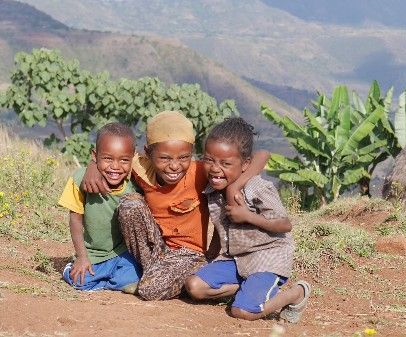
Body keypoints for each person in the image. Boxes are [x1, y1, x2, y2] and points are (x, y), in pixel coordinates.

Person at [80, 111, 269, 301]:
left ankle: (230, 286)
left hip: (190, 255)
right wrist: (93, 165)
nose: (174, 166)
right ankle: (155, 273)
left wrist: (235, 186)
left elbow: (262, 154)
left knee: (149, 291)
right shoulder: (141, 169)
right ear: (148, 153)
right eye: (164, 158)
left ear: (192, 152)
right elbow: (115, 157)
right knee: (130, 204)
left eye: (183, 157)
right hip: (155, 250)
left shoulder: (201, 172)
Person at [184, 117, 310, 323]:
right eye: (209, 160)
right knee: (194, 286)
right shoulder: (213, 191)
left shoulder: (256, 188)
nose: (215, 169)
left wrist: (248, 216)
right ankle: (248, 289)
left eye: (225, 163)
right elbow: (220, 227)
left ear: (246, 165)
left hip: (266, 259)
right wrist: (210, 256)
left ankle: (295, 294)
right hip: (236, 260)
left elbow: (284, 224)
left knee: (242, 312)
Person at [60, 122, 141, 292]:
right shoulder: (80, 179)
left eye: (124, 160)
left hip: (122, 252)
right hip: (93, 253)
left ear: (133, 158)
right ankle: (72, 268)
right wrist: (82, 257)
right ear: (95, 156)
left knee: (131, 280)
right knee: (80, 281)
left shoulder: (135, 183)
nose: (115, 166)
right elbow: (75, 219)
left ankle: (106, 279)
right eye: (107, 158)